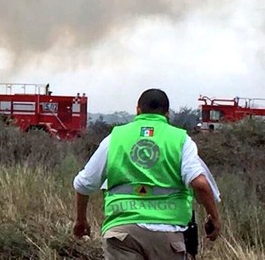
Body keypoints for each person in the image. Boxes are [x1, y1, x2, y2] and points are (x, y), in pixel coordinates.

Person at [72, 89, 221, 260]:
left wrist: (81, 220)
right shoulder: (181, 140)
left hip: (123, 234)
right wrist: (214, 217)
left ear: (137, 109)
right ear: (167, 113)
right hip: (169, 236)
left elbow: (84, 184)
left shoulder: (116, 138)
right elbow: (200, 184)